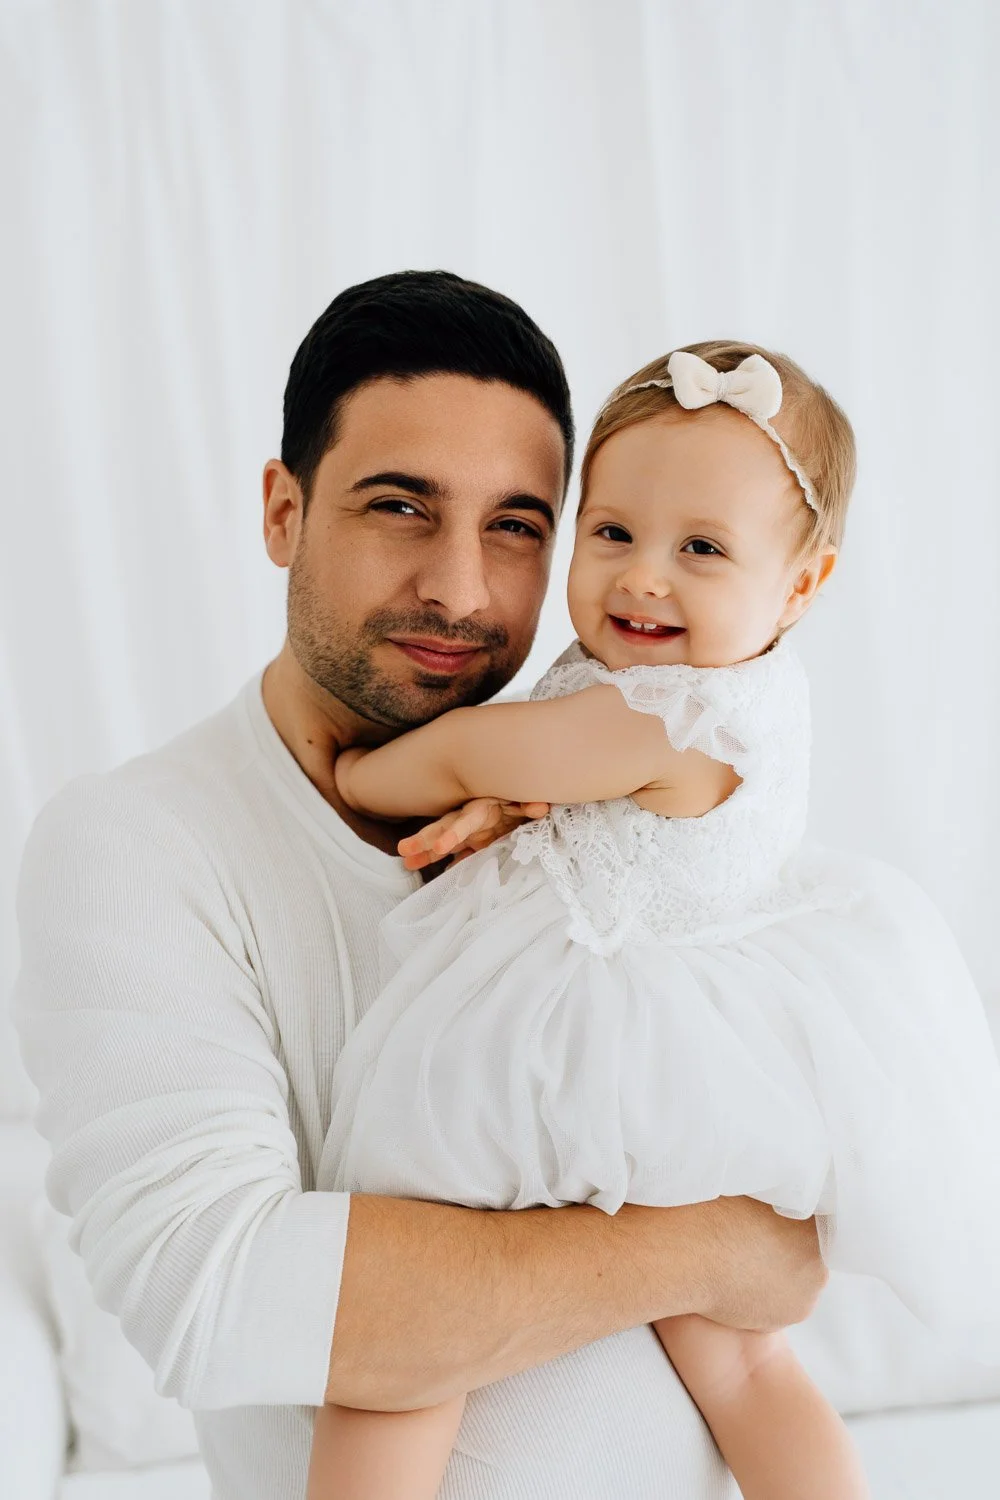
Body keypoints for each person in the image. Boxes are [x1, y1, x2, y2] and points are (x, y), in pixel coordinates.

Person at [12, 273, 827, 1500]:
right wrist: (707, 1246)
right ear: (283, 511)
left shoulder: (608, 798)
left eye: (516, 525)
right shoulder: (135, 841)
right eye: (401, 507)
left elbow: (792, 1213)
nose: (460, 588)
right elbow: (223, 1295)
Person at [307, 342, 1000, 1500]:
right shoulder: (722, 691)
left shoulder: (669, 716)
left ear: (803, 585)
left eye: (702, 550)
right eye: (613, 532)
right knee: (740, 1365)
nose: (643, 580)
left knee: (398, 1363)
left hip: (578, 1048)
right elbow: (543, 775)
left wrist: (371, 773)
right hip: (692, 1056)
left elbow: (487, 746)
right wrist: (521, 792)